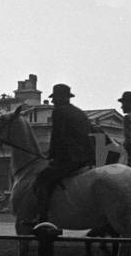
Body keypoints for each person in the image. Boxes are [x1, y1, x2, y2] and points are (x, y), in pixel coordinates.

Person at [33, 84, 94, 223]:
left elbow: (57, 136)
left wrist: (51, 154)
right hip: (86, 158)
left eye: (55, 99)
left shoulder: (59, 112)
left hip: (70, 158)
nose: (53, 102)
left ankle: (43, 217)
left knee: (42, 179)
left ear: (59, 98)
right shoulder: (80, 112)